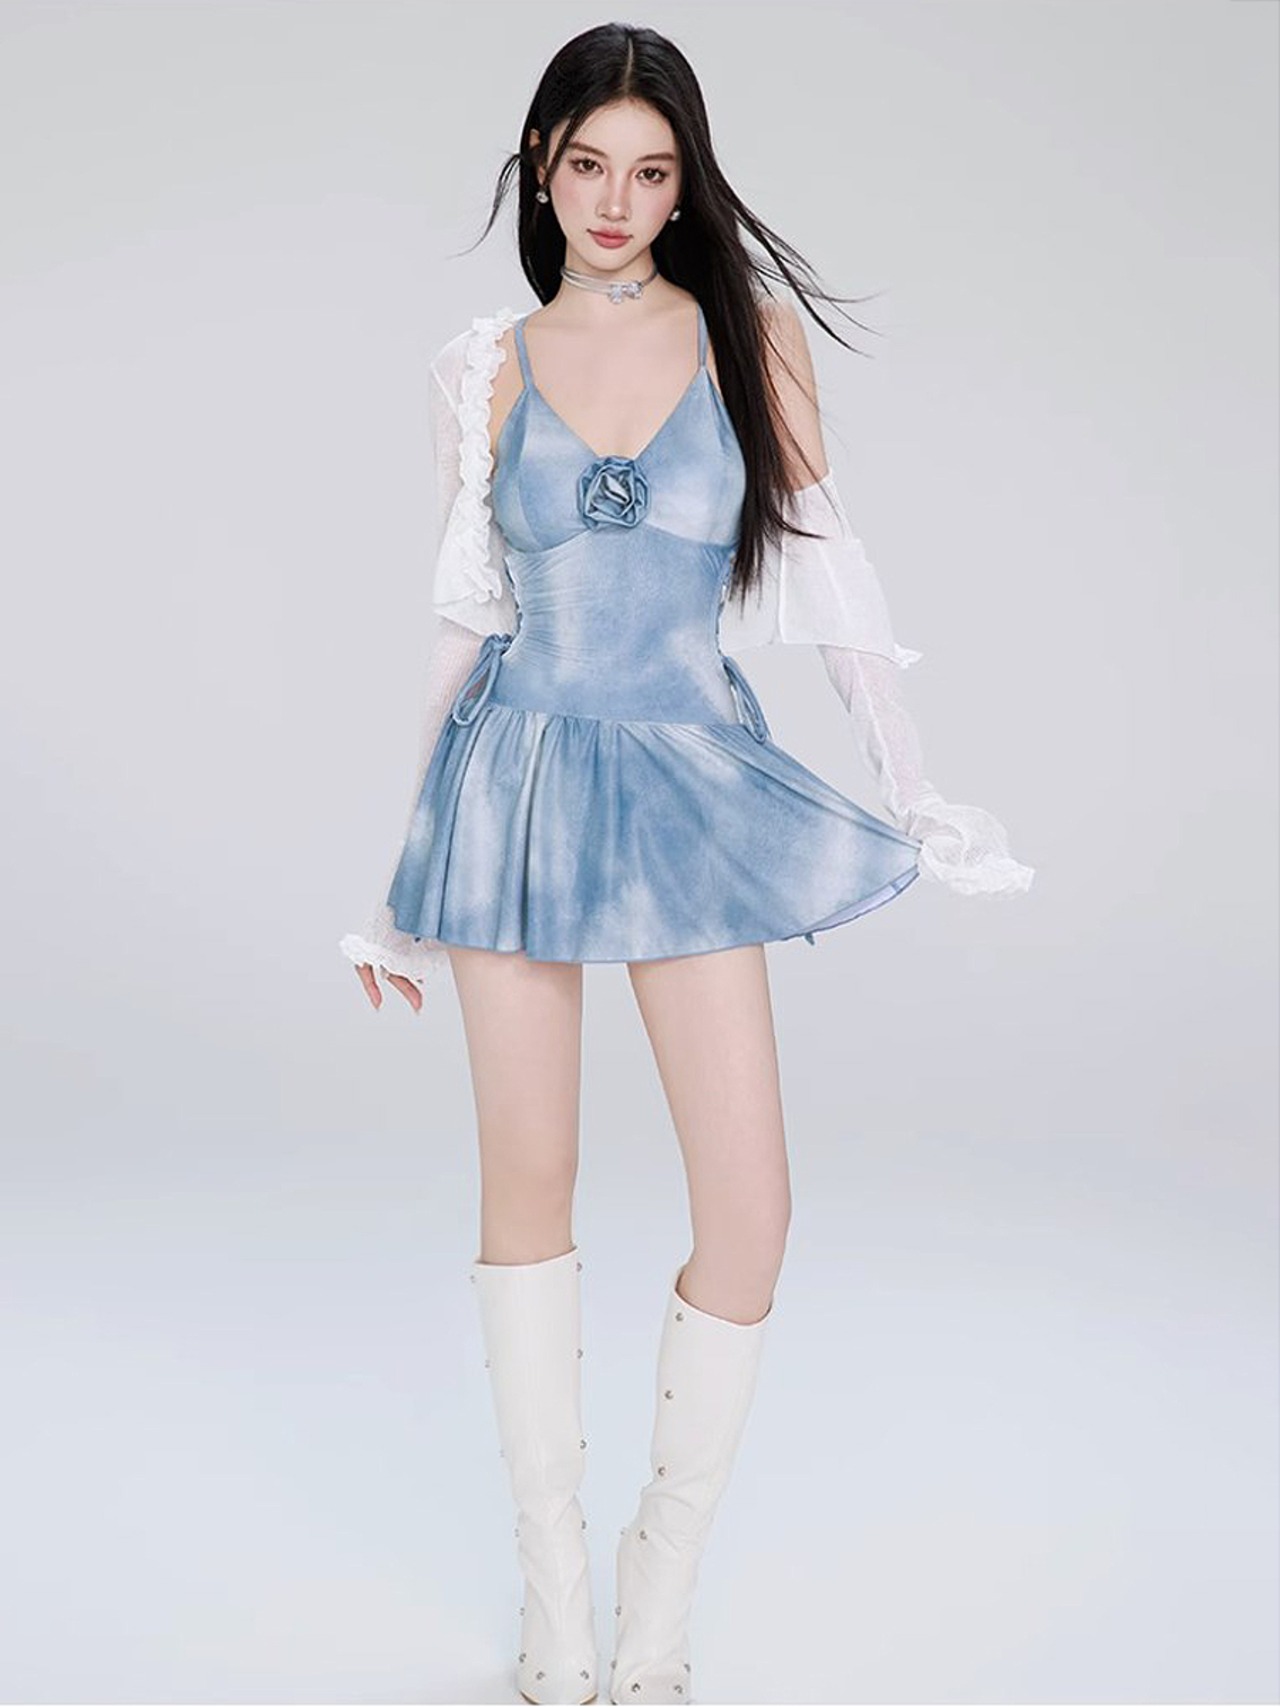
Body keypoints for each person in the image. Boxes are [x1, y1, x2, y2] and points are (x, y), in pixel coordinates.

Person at [340, 23, 1033, 1706]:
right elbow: (466, 624)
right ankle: (559, 1603)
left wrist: (916, 787)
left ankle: (659, 1578)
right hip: (513, 782)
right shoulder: (482, 366)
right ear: (541, 166)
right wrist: (391, 884)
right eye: (589, 165)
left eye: (652, 172)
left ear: (683, 185)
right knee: (528, 1186)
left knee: (751, 1210)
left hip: (688, 782)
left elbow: (831, 577)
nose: (617, 200)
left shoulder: (749, 337)